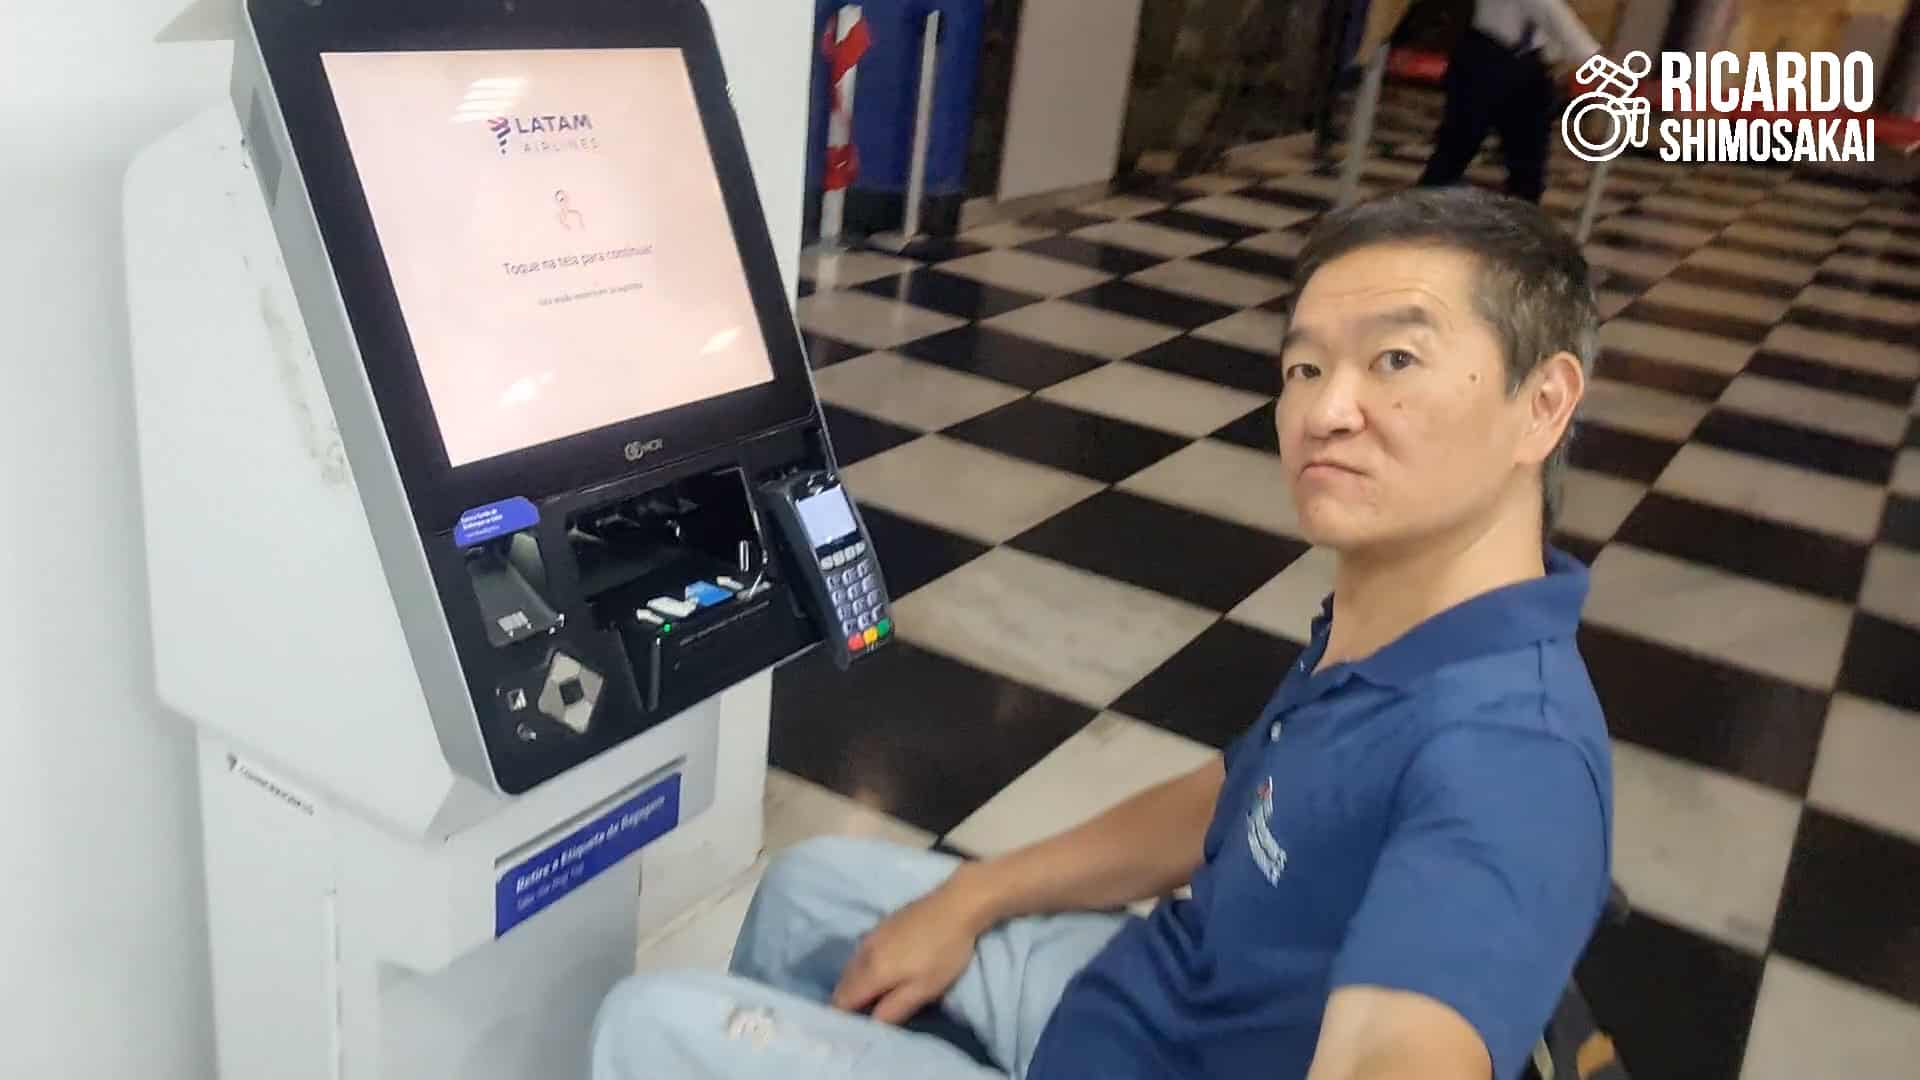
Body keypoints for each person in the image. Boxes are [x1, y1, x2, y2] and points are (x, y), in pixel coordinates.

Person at [591, 185, 1613, 1080]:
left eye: (1396, 358)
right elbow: (1243, 794)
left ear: (1544, 405)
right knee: (813, 889)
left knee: (650, 1026)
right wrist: (977, 895)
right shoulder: (1403, 619)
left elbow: (1402, 1050)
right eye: (1304, 368)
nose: (1328, 409)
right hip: (1138, 999)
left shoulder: (1507, 762)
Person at [1417, 0, 1603, 203]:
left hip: (1529, 65)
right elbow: (1545, 8)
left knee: (1529, 160)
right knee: (1457, 147)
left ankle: (1521, 221)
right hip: (1486, 58)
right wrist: (1594, 60)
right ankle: (1417, 214)